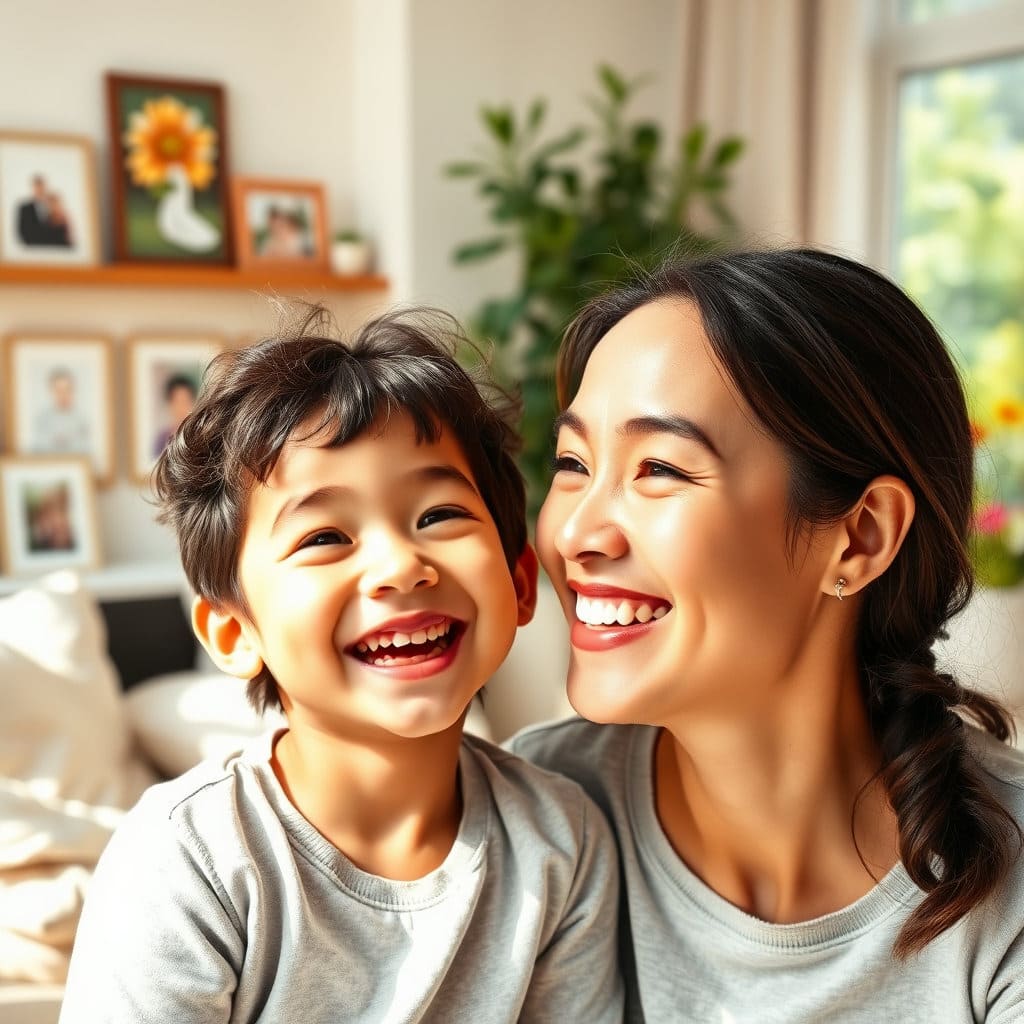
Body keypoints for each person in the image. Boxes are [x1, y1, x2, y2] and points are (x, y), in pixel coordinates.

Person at [59, 307, 623, 1023]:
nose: (399, 566)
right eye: (326, 535)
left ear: (517, 584)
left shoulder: (562, 841)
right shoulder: (187, 860)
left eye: (438, 516)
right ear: (233, 633)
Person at [510, 248, 1024, 1022]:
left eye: (659, 469)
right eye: (573, 463)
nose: (576, 531)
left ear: (859, 539)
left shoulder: (1006, 882)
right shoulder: (534, 815)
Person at [30, 367, 90, 455]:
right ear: (51, 391)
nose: (63, 395)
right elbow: (38, 448)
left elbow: (85, 449)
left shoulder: (81, 419)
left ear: (73, 390)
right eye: (59, 390)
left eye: (67, 389)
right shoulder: (42, 418)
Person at [16, 175, 71, 247]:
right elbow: (22, 230)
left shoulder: (51, 204)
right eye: (37, 187)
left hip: (54, 247)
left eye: (41, 187)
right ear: (33, 188)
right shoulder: (25, 208)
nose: (39, 190)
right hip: (33, 247)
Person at [152, 371, 198, 457]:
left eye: (185, 401)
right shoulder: (161, 439)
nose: (181, 407)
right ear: (170, 403)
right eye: (177, 401)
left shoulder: (199, 437)